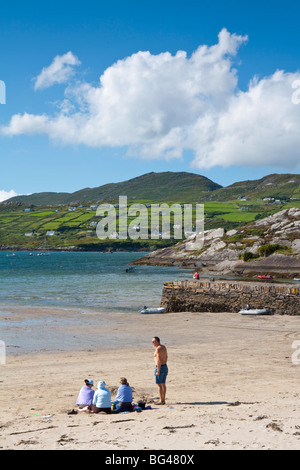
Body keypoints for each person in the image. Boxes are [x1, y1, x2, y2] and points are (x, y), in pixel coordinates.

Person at [152, 337, 168, 405]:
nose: (152, 343)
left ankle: (161, 400)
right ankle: (163, 400)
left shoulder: (158, 349)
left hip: (160, 367)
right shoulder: (163, 347)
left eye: (153, 342)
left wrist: (158, 370)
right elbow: (166, 356)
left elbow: (158, 360)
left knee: (159, 385)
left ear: (157, 341)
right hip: (165, 367)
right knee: (163, 384)